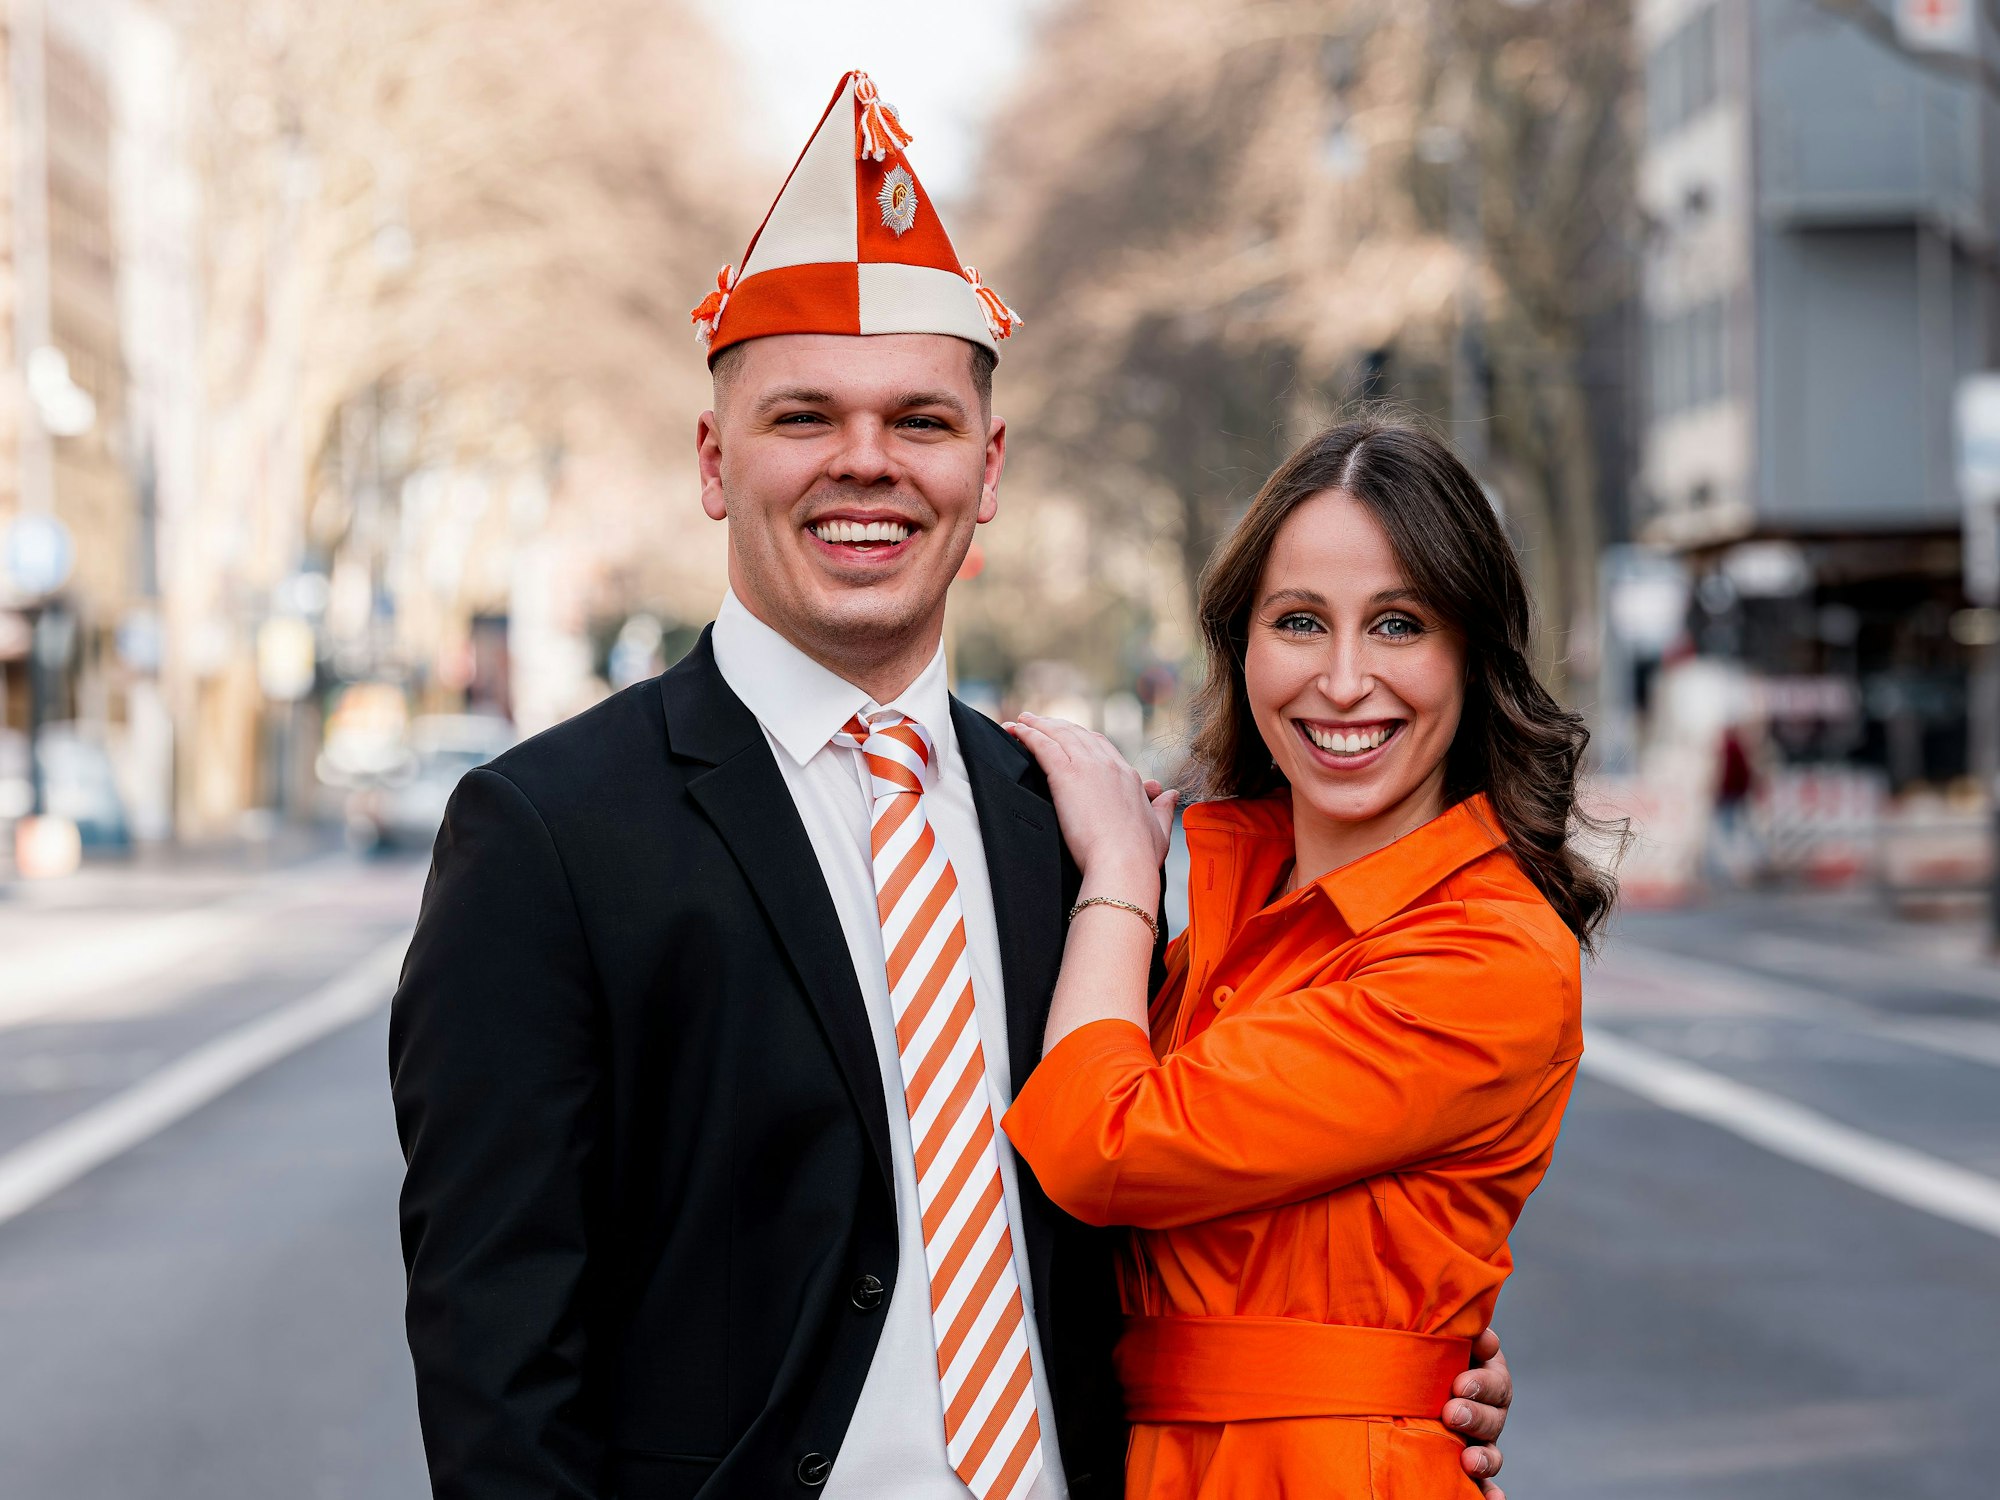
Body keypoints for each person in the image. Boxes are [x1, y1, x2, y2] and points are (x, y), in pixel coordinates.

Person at [389, 73, 1514, 1500]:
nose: (867, 462)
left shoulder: (1082, 832)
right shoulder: (545, 836)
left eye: (919, 422)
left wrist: (1413, 1375)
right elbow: (497, 1363)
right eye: (805, 417)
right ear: (712, 461)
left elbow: (1219, 1210)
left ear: (989, 471)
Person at [1002, 416, 1609, 1497]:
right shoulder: (1230, 896)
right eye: (1297, 621)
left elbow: (1104, 1145)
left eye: (1395, 624)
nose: (1339, 680)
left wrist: (1115, 878)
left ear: (1468, 653)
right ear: (1239, 648)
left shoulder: (1484, 952)